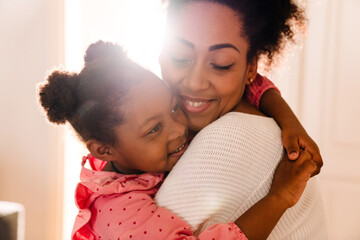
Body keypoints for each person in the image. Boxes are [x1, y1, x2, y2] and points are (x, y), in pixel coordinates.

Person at [38, 41, 317, 240]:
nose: (178, 129)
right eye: (154, 129)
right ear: (104, 150)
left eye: (174, 108)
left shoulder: (139, 147)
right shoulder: (118, 214)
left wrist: (290, 122)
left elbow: (245, 85)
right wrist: (280, 197)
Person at [155, 0, 327, 239]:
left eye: (220, 64)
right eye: (180, 57)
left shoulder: (232, 137)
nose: (195, 82)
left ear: (250, 68)